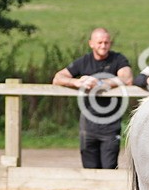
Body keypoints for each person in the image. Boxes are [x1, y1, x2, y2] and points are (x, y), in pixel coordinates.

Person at [52, 27, 133, 169]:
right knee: (89, 167)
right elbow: (57, 78)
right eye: (100, 42)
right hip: (88, 124)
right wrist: (76, 82)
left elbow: (127, 78)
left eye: (106, 42)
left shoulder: (118, 59)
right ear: (91, 43)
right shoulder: (84, 61)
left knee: (109, 166)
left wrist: (101, 83)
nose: (103, 46)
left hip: (111, 124)